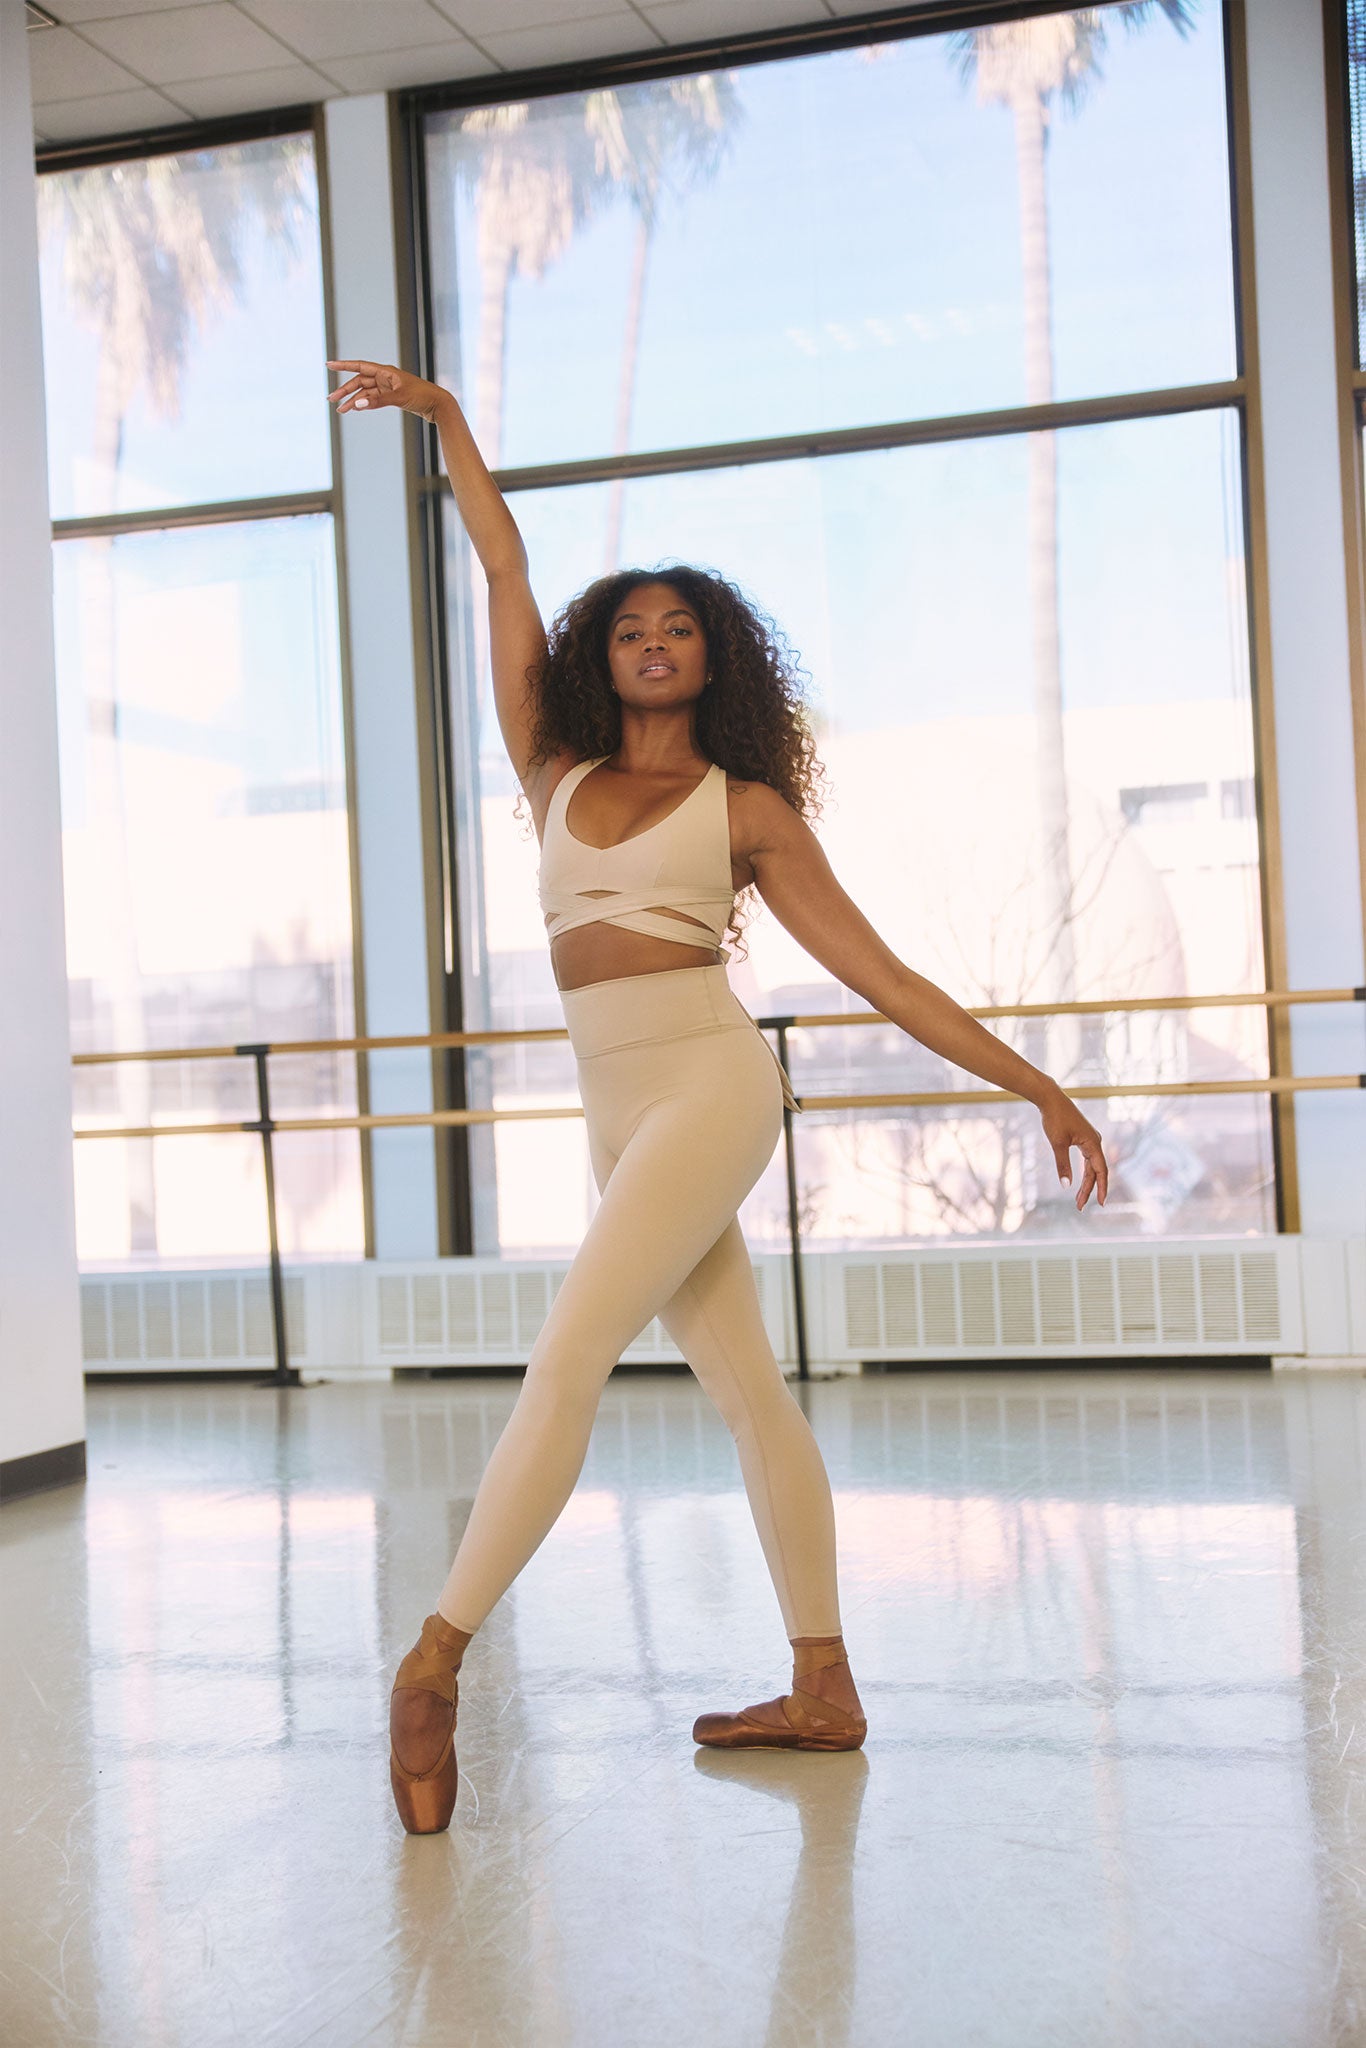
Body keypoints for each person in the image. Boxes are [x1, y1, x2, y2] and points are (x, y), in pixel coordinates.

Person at [326, 358, 1110, 1835]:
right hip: (611, 1106)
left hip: (705, 1083)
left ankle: (431, 1666)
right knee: (748, 1393)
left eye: (680, 626)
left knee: (566, 1359)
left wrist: (1033, 1083)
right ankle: (823, 1685)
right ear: (597, 659)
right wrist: (444, 424)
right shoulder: (547, 769)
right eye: (631, 627)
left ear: (714, 659)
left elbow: (882, 976)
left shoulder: (744, 812)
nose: (654, 641)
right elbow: (501, 563)